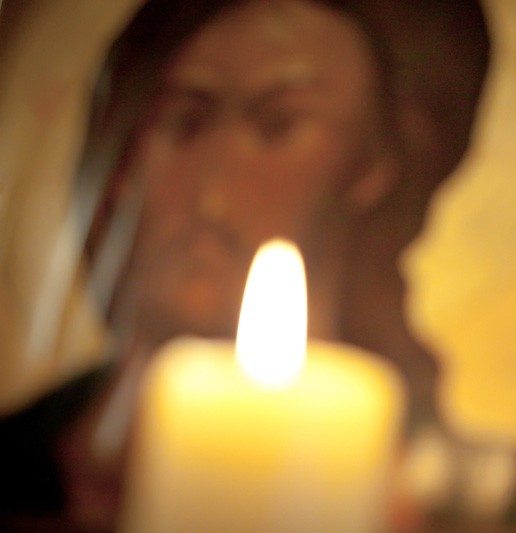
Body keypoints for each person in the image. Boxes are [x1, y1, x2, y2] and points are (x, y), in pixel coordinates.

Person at [0, 0, 489, 530]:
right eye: (184, 122)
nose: (212, 199)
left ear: (373, 168)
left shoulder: (475, 486)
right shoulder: (16, 456)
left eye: (280, 126)